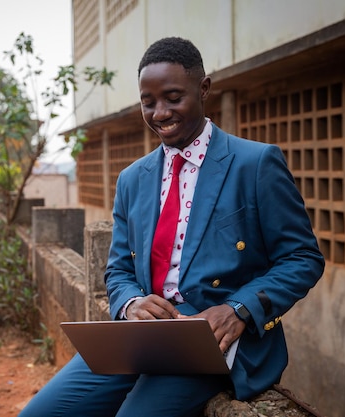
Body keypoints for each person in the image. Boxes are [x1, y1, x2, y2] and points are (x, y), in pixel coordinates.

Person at [18, 36, 325, 417]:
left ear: (204, 89)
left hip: (215, 337)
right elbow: (118, 268)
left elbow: (302, 258)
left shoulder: (255, 163)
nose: (160, 113)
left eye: (173, 98)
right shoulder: (133, 179)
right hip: (142, 336)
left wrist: (238, 309)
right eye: (148, 102)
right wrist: (131, 303)